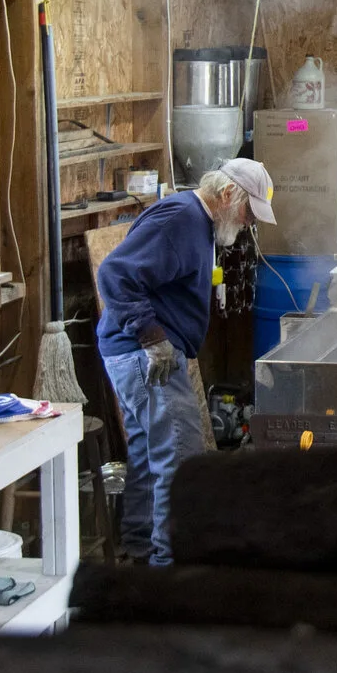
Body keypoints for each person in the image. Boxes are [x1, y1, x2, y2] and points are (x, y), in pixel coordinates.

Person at [95, 159, 275, 564]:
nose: (247, 224)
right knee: (181, 460)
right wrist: (152, 336)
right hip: (145, 355)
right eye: (248, 212)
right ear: (228, 195)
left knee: (148, 453)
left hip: (134, 353)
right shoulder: (181, 218)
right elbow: (114, 274)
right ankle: (169, 567)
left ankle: (141, 550)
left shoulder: (197, 222)